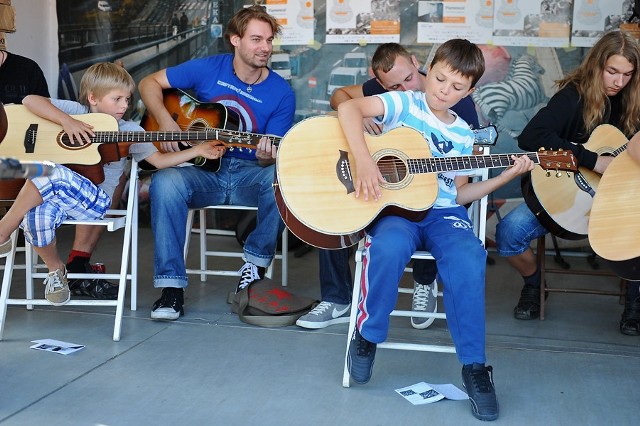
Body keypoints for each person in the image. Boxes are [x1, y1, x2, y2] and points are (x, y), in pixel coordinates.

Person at [339, 38, 535, 421]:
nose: (444, 90)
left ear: (471, 90)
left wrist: (505, 176)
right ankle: (367, 337)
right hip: (398, 209)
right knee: (389, 246)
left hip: (444, 214)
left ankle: (475, 368)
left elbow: (461, 194)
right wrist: (364, 161)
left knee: (468, 256)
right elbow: (348, 108)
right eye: (440, 78)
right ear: (429, 68)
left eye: (457, 87)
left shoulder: (464, 133)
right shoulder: (403, 103)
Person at [296, 43, 480, 330]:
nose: (405, 88)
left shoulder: (457, 104)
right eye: (394, 85)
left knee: (430, 206)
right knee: (336, 209)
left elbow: (457, 185)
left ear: (419, 65)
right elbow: (341, 98)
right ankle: (337, 298)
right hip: (377, 181)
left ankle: (424, 279)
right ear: (379, 84)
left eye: (409, 79)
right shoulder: (394, 98)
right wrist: (364, 119)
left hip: (422, 192)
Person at [16, 63, 224, 304]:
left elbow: (157, 160)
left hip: (94, 201)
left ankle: (3, 230)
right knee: (36, 215)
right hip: (59, 198)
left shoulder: (130, 130)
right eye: (117, 99)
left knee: (47, 170)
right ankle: (56, 270)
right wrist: (67, 122)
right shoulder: (76, 111)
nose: (125, 106)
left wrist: (197, 150)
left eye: (127, 99)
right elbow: (30, 100)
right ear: (93, 98)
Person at [138, 6, 295, 321]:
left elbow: (271, 155)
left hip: (252, 174)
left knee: (284, 179)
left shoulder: (281, 92)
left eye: (269, 40)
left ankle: (254, 266)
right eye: (256, 39)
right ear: (235, 40)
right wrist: (166, 121)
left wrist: (267, 155)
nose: (265, 47)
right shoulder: (209, 68)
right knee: (165, 182)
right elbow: (147, 84)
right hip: (202, 172)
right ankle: (171, 289)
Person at [495, 30, 640, 335]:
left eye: (627, 74)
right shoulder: (573, 96)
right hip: (570, 197)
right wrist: (592, 160)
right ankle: (534, 285)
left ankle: (635, 300)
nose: (618, 81)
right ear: (597, 65)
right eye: (612, 71)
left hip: (621, 203)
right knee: (509, 233)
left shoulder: (635, 102)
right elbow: (531, 137)